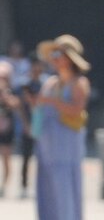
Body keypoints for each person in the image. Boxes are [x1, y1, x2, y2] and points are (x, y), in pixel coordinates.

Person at [34, 34, 91, 220]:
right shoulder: (50, 83)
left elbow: (77, 109)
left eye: (58, 53)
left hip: (66, 148)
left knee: (65, 189)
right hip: (47, 147)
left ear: (69, 57)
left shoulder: (78, 83)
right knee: (48, 190)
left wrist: (52, 102)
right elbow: (39, 109)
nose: (54, 58)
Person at [16, 54, 45, 199]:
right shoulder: (25, 84)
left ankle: (42, 186)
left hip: (43, 126)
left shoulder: (46, 84)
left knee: (43, 159)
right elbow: (21, 106)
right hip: (27, 124)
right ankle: (24, 186)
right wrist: (25, 124)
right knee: (26, 158)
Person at [0, 62, 19, 198]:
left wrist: (6, 97)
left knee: (7, 158)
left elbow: (16, 105)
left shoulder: (12, 92)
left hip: (7, 130)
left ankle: (4, 186)